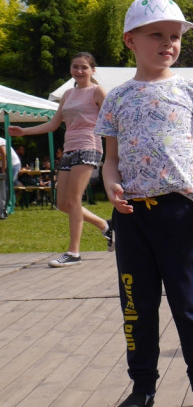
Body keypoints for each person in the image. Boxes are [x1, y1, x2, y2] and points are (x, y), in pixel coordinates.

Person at [97, 0, 193, 407]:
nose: (168, 43)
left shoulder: (190, 90)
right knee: (137, 303)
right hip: (132, 217)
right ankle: (141, 388)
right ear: (130, 40)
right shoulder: (116, 98)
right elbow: (109, 157)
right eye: (157, 35)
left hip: (180, 212)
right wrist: (110, 182)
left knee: (190, 301)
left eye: (174, 36)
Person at [10, 52, 115, 265]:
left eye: (84, 67)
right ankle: (107, 227)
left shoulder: (97, 91)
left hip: (89, 146)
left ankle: (73, 253)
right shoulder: (67, 94)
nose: (79, 71)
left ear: (92, 70)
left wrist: (115, 151)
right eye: (75, 67)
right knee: (62, 203)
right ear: (71, 70)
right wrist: (24, 132)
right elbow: (53, 124)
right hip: (69, 149)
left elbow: (112, 121)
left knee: (74, 200)